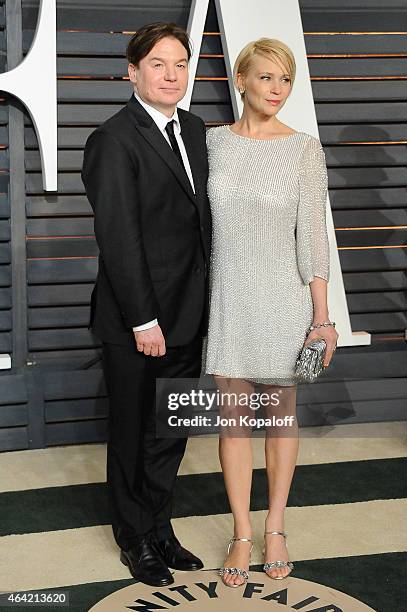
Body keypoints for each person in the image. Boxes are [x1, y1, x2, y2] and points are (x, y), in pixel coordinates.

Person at [203, 38, 339, 587]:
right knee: (233, 421)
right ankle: (241, 532)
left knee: (280, 418)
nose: (276, 90)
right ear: (240, 80)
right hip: (229, 298)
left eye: (285, 79)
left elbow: (313, 238)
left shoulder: (305, 149)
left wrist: (322, 318)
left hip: (284, 299)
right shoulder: (211, 143)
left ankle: (275, 525)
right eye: (265, 78)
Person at [81, 22, 211, 587]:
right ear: (132, 72)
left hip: (191, 312)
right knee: (133, 435)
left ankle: (160, 526)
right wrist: (144, 319)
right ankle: (135, 540)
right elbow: (119, 238)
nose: (171, 74)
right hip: (138, 320)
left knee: (171, 430)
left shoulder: (198, 129)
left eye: (180, 64)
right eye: (158, 64)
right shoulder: (113, 139)